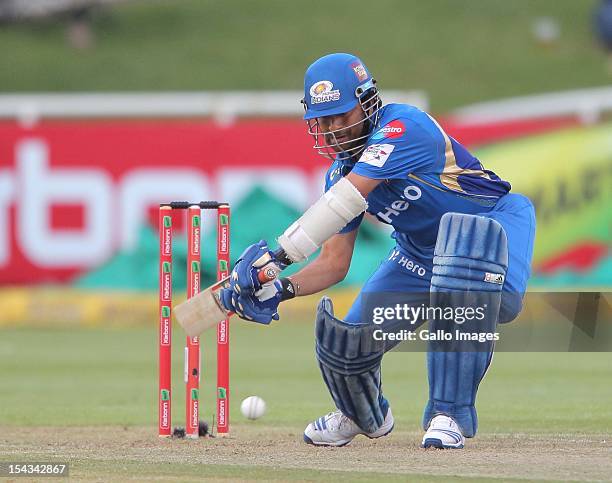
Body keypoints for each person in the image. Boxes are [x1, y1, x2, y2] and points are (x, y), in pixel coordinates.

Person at [219, 53, 536, 449]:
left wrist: (276, 258)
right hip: (420, 255)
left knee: (461, 276)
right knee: (347, 343)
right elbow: (333, 264)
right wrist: (279, 287)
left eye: (340, 116)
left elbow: (348, 198)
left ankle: (448, 414)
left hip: (493, 231)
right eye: (323, 120)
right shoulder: (340, 173)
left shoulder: (403, 127)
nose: (332, 130)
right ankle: (363, 414)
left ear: (367, 102)